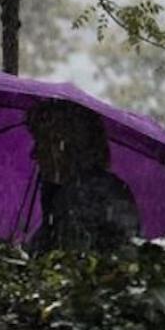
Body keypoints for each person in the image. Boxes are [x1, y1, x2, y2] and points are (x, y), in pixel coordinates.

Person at [23, 99, 139, 254]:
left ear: (61, 144)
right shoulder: (62, 195)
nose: (34, 153)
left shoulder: (86, 196)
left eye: (41, 142)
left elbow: (69, 259)